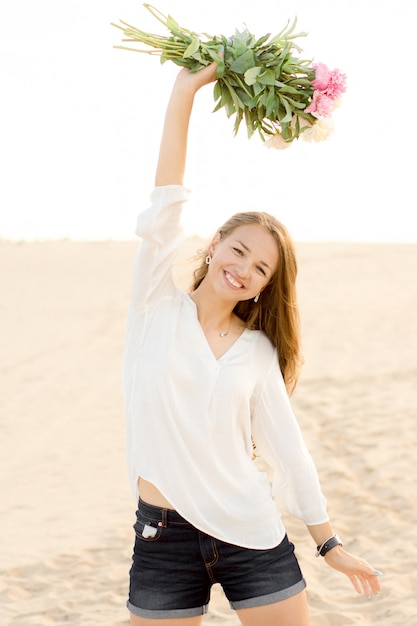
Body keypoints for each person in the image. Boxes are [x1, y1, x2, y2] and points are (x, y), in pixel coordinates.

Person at [122, 61, 381, 626]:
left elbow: (290, 453)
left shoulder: (257, 352)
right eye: (238, 250)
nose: (243, 269)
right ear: (215, 245)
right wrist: (184, 92)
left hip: (251, 532)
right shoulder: (154, 308)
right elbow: (167, 199)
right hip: (164, 537)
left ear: (265, 285)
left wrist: (329, 543)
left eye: (260, 267)